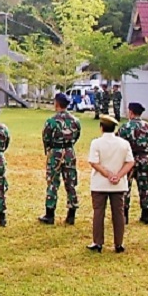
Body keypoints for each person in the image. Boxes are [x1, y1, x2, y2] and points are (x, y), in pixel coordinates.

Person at [86, 115, 134, 253]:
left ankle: (98, 242)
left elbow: (94, 162)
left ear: (101, 128)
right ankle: (118, 243)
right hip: (118, 185)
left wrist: (107, 174)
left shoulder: (96, 143)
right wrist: (118, 175)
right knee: (118, 213)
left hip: (100, 183)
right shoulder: (124, 143)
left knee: (99, 212)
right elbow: (130, 162)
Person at [39, 93, 82, 225]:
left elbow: (46, 138)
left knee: (52, 182)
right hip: (69, 152)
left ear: (56, 103)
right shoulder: (75, 121)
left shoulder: (51, 121)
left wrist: (50, 149)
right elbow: (77, 135)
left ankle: (50, 214)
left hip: (55, 152)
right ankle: (71, 214)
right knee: (71, 182)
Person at [117, 102, 148, 225]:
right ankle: (145, 214)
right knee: (144, 186)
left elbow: (119, 144)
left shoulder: (124, 127)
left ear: (131, 112)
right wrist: (143, 154)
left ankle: (125, 215)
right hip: (143, 159)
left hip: (129, 160)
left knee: (125, 187)